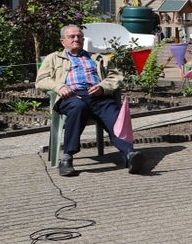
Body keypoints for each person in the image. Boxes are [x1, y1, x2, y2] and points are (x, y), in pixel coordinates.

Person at [36, 24, 146, 176]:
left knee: (114, 113)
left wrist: (102, 87)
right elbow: (41, 80)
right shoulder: (53, 58)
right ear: (63, 41)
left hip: (96, 95)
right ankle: (67, 158)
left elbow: (116, 76)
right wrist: (59, 86)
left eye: (79, 36)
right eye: (72, 36)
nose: (77, 39)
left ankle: (130, 154)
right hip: (70, 96)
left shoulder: (97, 58)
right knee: (78, 107)